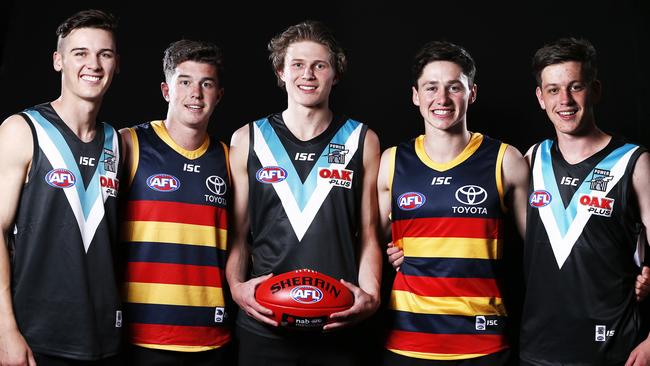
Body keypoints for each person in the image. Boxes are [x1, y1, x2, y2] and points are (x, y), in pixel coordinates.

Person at [225, 20, 382, 365]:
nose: (307, 74)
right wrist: (237, 289)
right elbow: (238, 236)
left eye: (319, 65)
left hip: (338, 322)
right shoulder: (248, 139)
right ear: (281, 71)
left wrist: (370, 296)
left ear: (335, 75)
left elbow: (369, 235)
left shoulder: (362, 140)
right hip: (265, 321)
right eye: (297, 64)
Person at [377, 41, 529, 365]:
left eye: (454, 88)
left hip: (483, 342)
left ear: (471, 93)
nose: (442, 99)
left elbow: (543, 251)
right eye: (431, 87)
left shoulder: (506, 160)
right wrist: (389, 250)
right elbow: (363, 245)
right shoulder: (391, 162)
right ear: (416, 95)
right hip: (407, 341)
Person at [0, 9, 122, 366]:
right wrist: (5, 328)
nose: (94, 65)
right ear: (58, 61)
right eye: (80, 53)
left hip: (104, 336)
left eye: (105, 54)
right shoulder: (22, 130)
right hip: (34, 337)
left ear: (117, 64)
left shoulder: (119, 142)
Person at [520, 37, 650, 366]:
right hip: (539, 350)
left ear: (595, 90)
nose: (564, 100)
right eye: (552, 90)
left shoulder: (635, 163)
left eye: (575, 87)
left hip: (614, 350)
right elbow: (483, 230)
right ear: (540, 97)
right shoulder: (532, 159)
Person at [119, 40, 231, 365]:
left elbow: (250, 239)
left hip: (211, 337)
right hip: (140, 337)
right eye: (185, 82)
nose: (195, 94)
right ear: (167, 90)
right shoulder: (129, 143)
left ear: (218, 95)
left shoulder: (230, 159)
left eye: (206, 84)